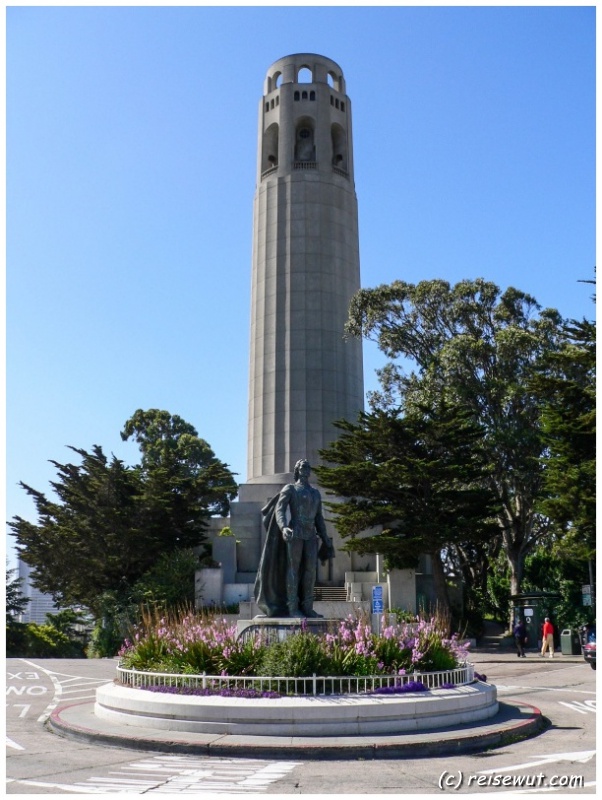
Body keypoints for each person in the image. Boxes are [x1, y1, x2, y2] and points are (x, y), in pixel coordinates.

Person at [254, 459, 335, 618]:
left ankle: (308, 607)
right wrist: (284, 527)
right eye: (302, 467)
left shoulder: (315, 493)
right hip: (296, 532)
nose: (305, 469)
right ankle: (292, 608)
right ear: (297, 470)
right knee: (293, 569)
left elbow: (319, 518)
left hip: (311, 534)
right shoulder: (290, 489)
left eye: (308, 467)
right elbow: (280, 510)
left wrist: (325, 538)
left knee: (310, 571)